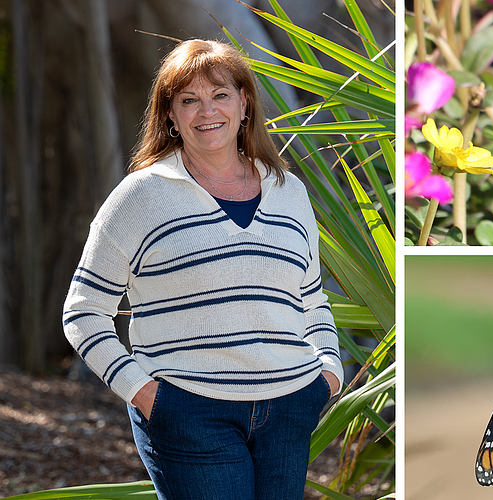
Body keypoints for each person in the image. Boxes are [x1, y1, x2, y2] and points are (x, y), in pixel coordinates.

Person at [62, 39, 343, 500]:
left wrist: (327, 373)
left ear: (244, 103)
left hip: (290, 410)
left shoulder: (288, 190)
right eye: (189, 100)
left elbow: (310, 297)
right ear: (170, 115)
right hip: (189, 412)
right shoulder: (141, 196)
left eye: (220, 95)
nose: (206, 111)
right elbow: (84, 310)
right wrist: (146, 395)